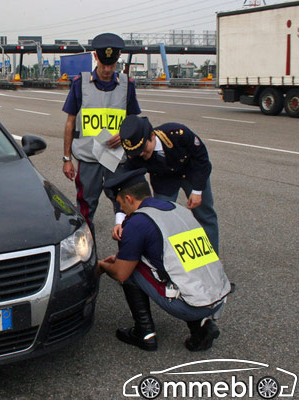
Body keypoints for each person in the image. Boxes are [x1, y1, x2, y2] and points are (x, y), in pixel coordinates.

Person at [97, 169, 232, 352]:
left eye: (120, 203)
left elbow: (121, 273)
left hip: (191, 305)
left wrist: (103, 266)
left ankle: (144, 333)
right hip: (217, 294)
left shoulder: (138, 222)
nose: (121, 209)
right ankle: (201, 327)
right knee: (177, 269)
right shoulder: (177, 209)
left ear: (129, 199)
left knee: (130, 270)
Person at [62, 33, 141, 236]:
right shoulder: (80, 84)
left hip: (117, 158)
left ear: (118, 59)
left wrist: (124, 135)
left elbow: (134, 121)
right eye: (104, 64)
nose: (107, 70)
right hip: (89, 157)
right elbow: (70, 122)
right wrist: (66, 159)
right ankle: (86, 252)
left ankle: (127, 253)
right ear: (96, 57)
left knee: (125, 205)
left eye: (112, 65)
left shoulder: (127, 85)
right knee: (86, 206)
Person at [115, 115, 220, 254]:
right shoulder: (135, 155)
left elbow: (202, 158)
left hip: (193, 174)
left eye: (144, 148)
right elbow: (125, 186)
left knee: (205, 215)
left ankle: (212, 257)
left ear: (152, 135)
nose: (141, 154)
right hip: (164, 181)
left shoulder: (177, 133)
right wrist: (120, 218)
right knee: (162, 220)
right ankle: (172, 261)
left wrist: (197, 191)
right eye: (136, 152)